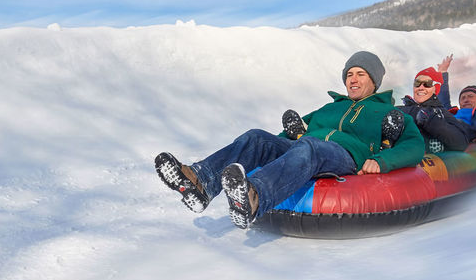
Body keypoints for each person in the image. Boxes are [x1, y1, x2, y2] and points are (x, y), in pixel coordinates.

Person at [154, 51, 425, 230]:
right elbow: (290, 136)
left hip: (345, 156)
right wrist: (271, 148)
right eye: (349, 74)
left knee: (310, 145)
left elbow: (415, 145)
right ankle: (200, 183)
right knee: (257, 138)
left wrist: (381, 160)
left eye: (360, 74)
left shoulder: (387, 112)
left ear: (374, 81)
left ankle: (254, 197)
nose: (353, 80)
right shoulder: (328, 108)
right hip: (308, 148)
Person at [397, 58, 476, 153]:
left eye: (427, 84)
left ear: (435, 89)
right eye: (417, 83)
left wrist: (429, 119)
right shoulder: (400, 110)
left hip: (427, 161)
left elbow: (460, 142)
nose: (421, 87)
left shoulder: (441, 113)